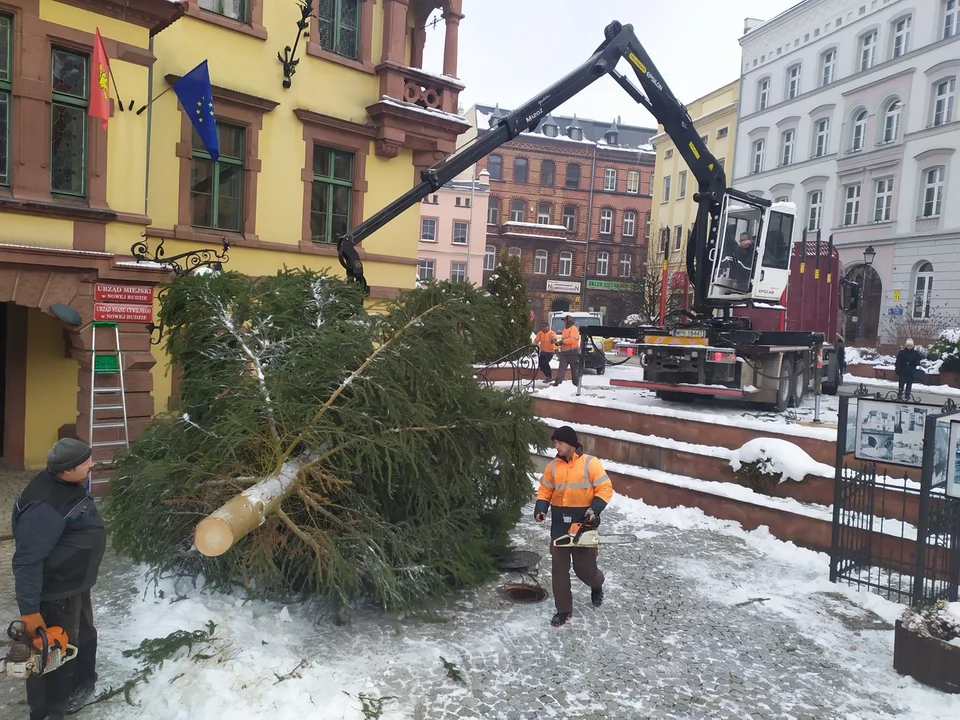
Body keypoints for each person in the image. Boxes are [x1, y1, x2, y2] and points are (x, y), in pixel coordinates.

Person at [12, 438, 105, 720]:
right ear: (66, 470)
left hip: (75, 583)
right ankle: (49, 711)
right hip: (56, 592)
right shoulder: (44, 507)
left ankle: (81, 685)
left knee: (83, 636)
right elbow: (27, 560)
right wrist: (29, 611)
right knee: (52, 653)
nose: (91, 464)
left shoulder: (65, 483)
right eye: (85, 462)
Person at [534, 425, 614, 627]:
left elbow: (605, 488)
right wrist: (541, 507)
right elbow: (545, 489)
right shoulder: (553, 466)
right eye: (555, 442)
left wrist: (595, 509)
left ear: (570, 443)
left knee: (585, 569)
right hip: (560, 525)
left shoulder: (590, 463)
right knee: (559, 570)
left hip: (584, 523)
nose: (556, 446)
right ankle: (563, 610)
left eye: (560, 442)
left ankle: (597, 583)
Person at [553, 315, 581, 387]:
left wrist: (562, 342)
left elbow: (572, 340)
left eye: (565, 320)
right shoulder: (565, 330)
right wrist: (558, 343)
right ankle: (557, 383)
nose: (564, 322)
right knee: (561, 369)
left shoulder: (573, 329)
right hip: (564, 352)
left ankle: (576, 384)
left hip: (573, 352)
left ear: (569, 321)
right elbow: (564, 340)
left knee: (574, 370)